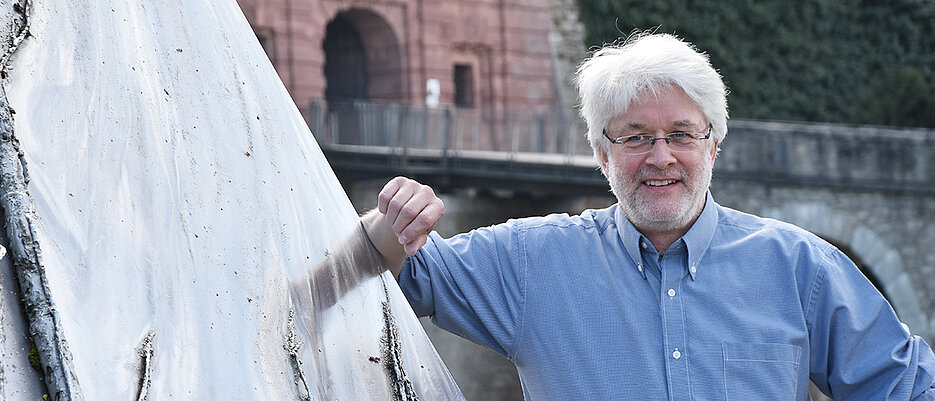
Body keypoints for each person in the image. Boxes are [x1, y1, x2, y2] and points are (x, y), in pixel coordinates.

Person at [360, 33, 935, 400]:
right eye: (636, 137)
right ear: (602, 156)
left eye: (680, 135)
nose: (660, 157)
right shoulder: (530, 261)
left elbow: (906, 386)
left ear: (713, 147)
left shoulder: (799, 267)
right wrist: (396, 219)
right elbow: (393, 268)